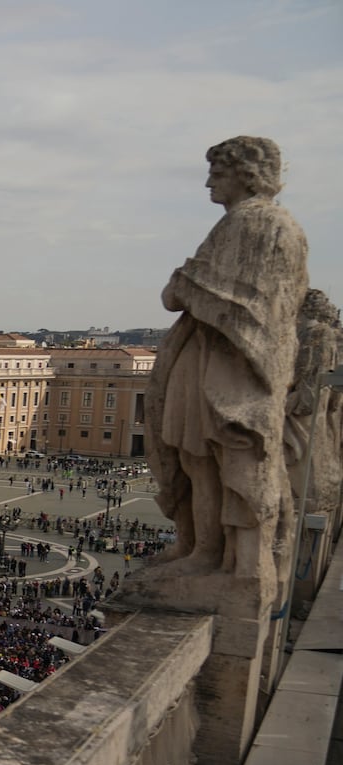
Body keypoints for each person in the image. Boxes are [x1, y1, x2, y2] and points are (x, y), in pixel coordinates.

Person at [143, 136, 308, 592]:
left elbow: (186, 293)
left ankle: (217, 556)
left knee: (214, 458)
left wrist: (185, 283)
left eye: (216, 174)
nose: (207, 183)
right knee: (201, 460)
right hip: (219, 357)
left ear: (245, 173)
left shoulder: (251, 224)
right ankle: (210, 551)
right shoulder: (267, 225)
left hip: (226, 364)